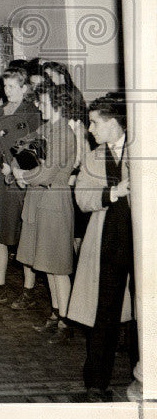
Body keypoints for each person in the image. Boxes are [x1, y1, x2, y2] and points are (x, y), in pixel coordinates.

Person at [69, 92, 135, 402]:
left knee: (143, 313)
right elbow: (82, 199)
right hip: (107, 242)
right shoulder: (93, 157)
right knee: (103, 314)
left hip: (142, 244)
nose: (90, 130)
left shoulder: (143, 151)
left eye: (95, 123)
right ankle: (96, 382)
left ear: (113, 122)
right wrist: (114, 192)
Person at [15, 83, 79, 343]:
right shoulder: (47, 128)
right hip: (39, 196)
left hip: (54, 197)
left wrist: (23, 174)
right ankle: (55, 313)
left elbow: (50, 170)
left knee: (57, 266)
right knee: (45, 262)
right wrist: (18, 165)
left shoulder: (63, 133)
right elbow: (20, 146)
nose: (39, 106)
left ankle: (67, 321)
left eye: (43, 102)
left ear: (59, 104)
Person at [0, 67, 40, 307]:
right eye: (6, 86)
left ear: (24, 88)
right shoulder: (0, 110)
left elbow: (32, 151)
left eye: (13, 87)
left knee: (23, 233)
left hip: (18, 181)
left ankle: (29, 289)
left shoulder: (31, 113)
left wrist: (12, 167)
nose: (8, 91)